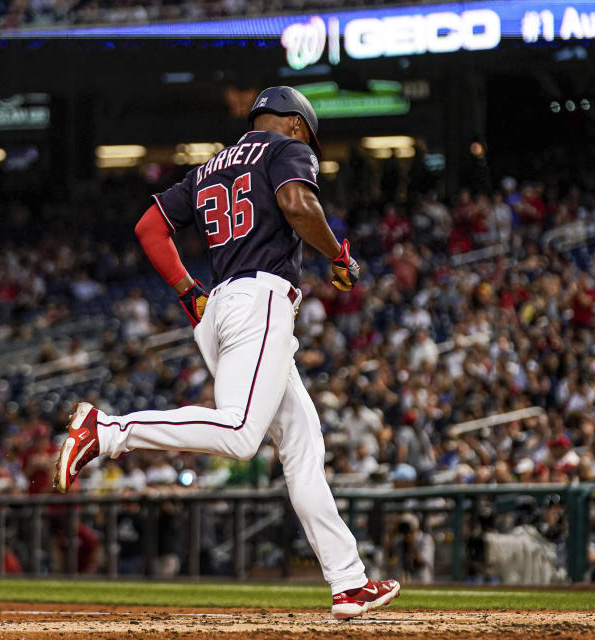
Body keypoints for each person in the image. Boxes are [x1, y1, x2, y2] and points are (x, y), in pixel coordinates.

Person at [54, 86, 399, 619]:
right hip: (259, 303)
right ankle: (107, 430)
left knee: (303, 445)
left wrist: (188, 291)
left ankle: (348, 582)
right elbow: (296, 202)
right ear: (295, 125)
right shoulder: (285, 146)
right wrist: (340, 253)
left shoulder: (212, 164)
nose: (310, 146)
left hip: (224, 306)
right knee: (240, 435)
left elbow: (149, 226)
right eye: (309, 135)